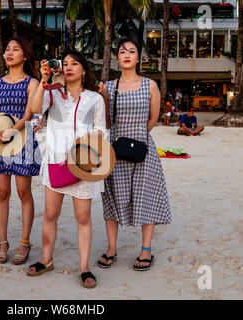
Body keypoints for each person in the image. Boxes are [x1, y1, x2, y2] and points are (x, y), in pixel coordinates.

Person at [28, 51, 107, 288]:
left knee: (82, 217)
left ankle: (84, 268)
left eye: (74, 64)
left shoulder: (95, 99)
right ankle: (46, 259)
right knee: (50, 214)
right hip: (55, 160)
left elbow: (101, 129)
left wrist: (85, 144)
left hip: (83, 163)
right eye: (65, 64)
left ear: (84, 70)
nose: (69, 67)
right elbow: (34, 108)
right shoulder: (52, 95)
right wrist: (44, 80)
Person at [98, 38, 171, 272]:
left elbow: (153, 119)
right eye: (122, 51)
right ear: (117, 58)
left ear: (138, 58)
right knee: (111, 198)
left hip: (143, 149)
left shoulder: (150, 85)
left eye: (132, 51)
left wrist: (136, 138)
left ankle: (146, 249)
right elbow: (107, 121)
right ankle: (112, 248)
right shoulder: (109, 87)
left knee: (145, 196)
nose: (127, 55)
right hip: (114, 149)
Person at [0, 37, 41, 265]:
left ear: (25, 56)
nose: (10, 52)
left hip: (22, 140)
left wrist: (12, 131)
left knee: (23, 192)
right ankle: (3, 242)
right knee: (2, 192)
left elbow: (28, 115)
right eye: (7, 49)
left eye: (16, 49)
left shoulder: (32, 83)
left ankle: (24, 242)